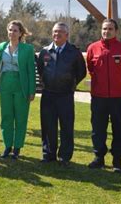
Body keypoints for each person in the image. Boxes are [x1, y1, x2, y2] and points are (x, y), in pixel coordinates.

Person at [86, 18, 121, 173]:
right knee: (98, 128)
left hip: (117, 97)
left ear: (116, 31)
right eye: (104, 29)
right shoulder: (93, 48)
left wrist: (118, 83)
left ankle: (117, 160)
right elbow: (90, 68)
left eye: (110, 29)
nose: (106, 31)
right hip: (98, 97)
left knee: (119, 128)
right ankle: (99, 158)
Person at [37, 22, 86, 166]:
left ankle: (64, 156)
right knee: (48, 126)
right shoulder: (45, 51)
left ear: (67, 35)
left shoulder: (74, 52)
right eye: (54, 32)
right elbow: (41, 70)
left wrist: (71, 84)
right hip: (48, 95)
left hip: (65, 95)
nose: (56, 34)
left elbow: (81, 72)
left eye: (60, 32)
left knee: (66, 126)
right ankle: (49, 154)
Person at [0, 20, 36, 159]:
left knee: (20, 117)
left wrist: (32, 91)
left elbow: (31, 71)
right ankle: (7, 146)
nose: (12, 33)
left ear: (20, 33)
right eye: (10, 30)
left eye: (15, 31)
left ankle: (17, 147)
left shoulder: (27, 49)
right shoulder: (1, 46)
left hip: (21, 85)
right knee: (6, 116)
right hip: (6, 83)